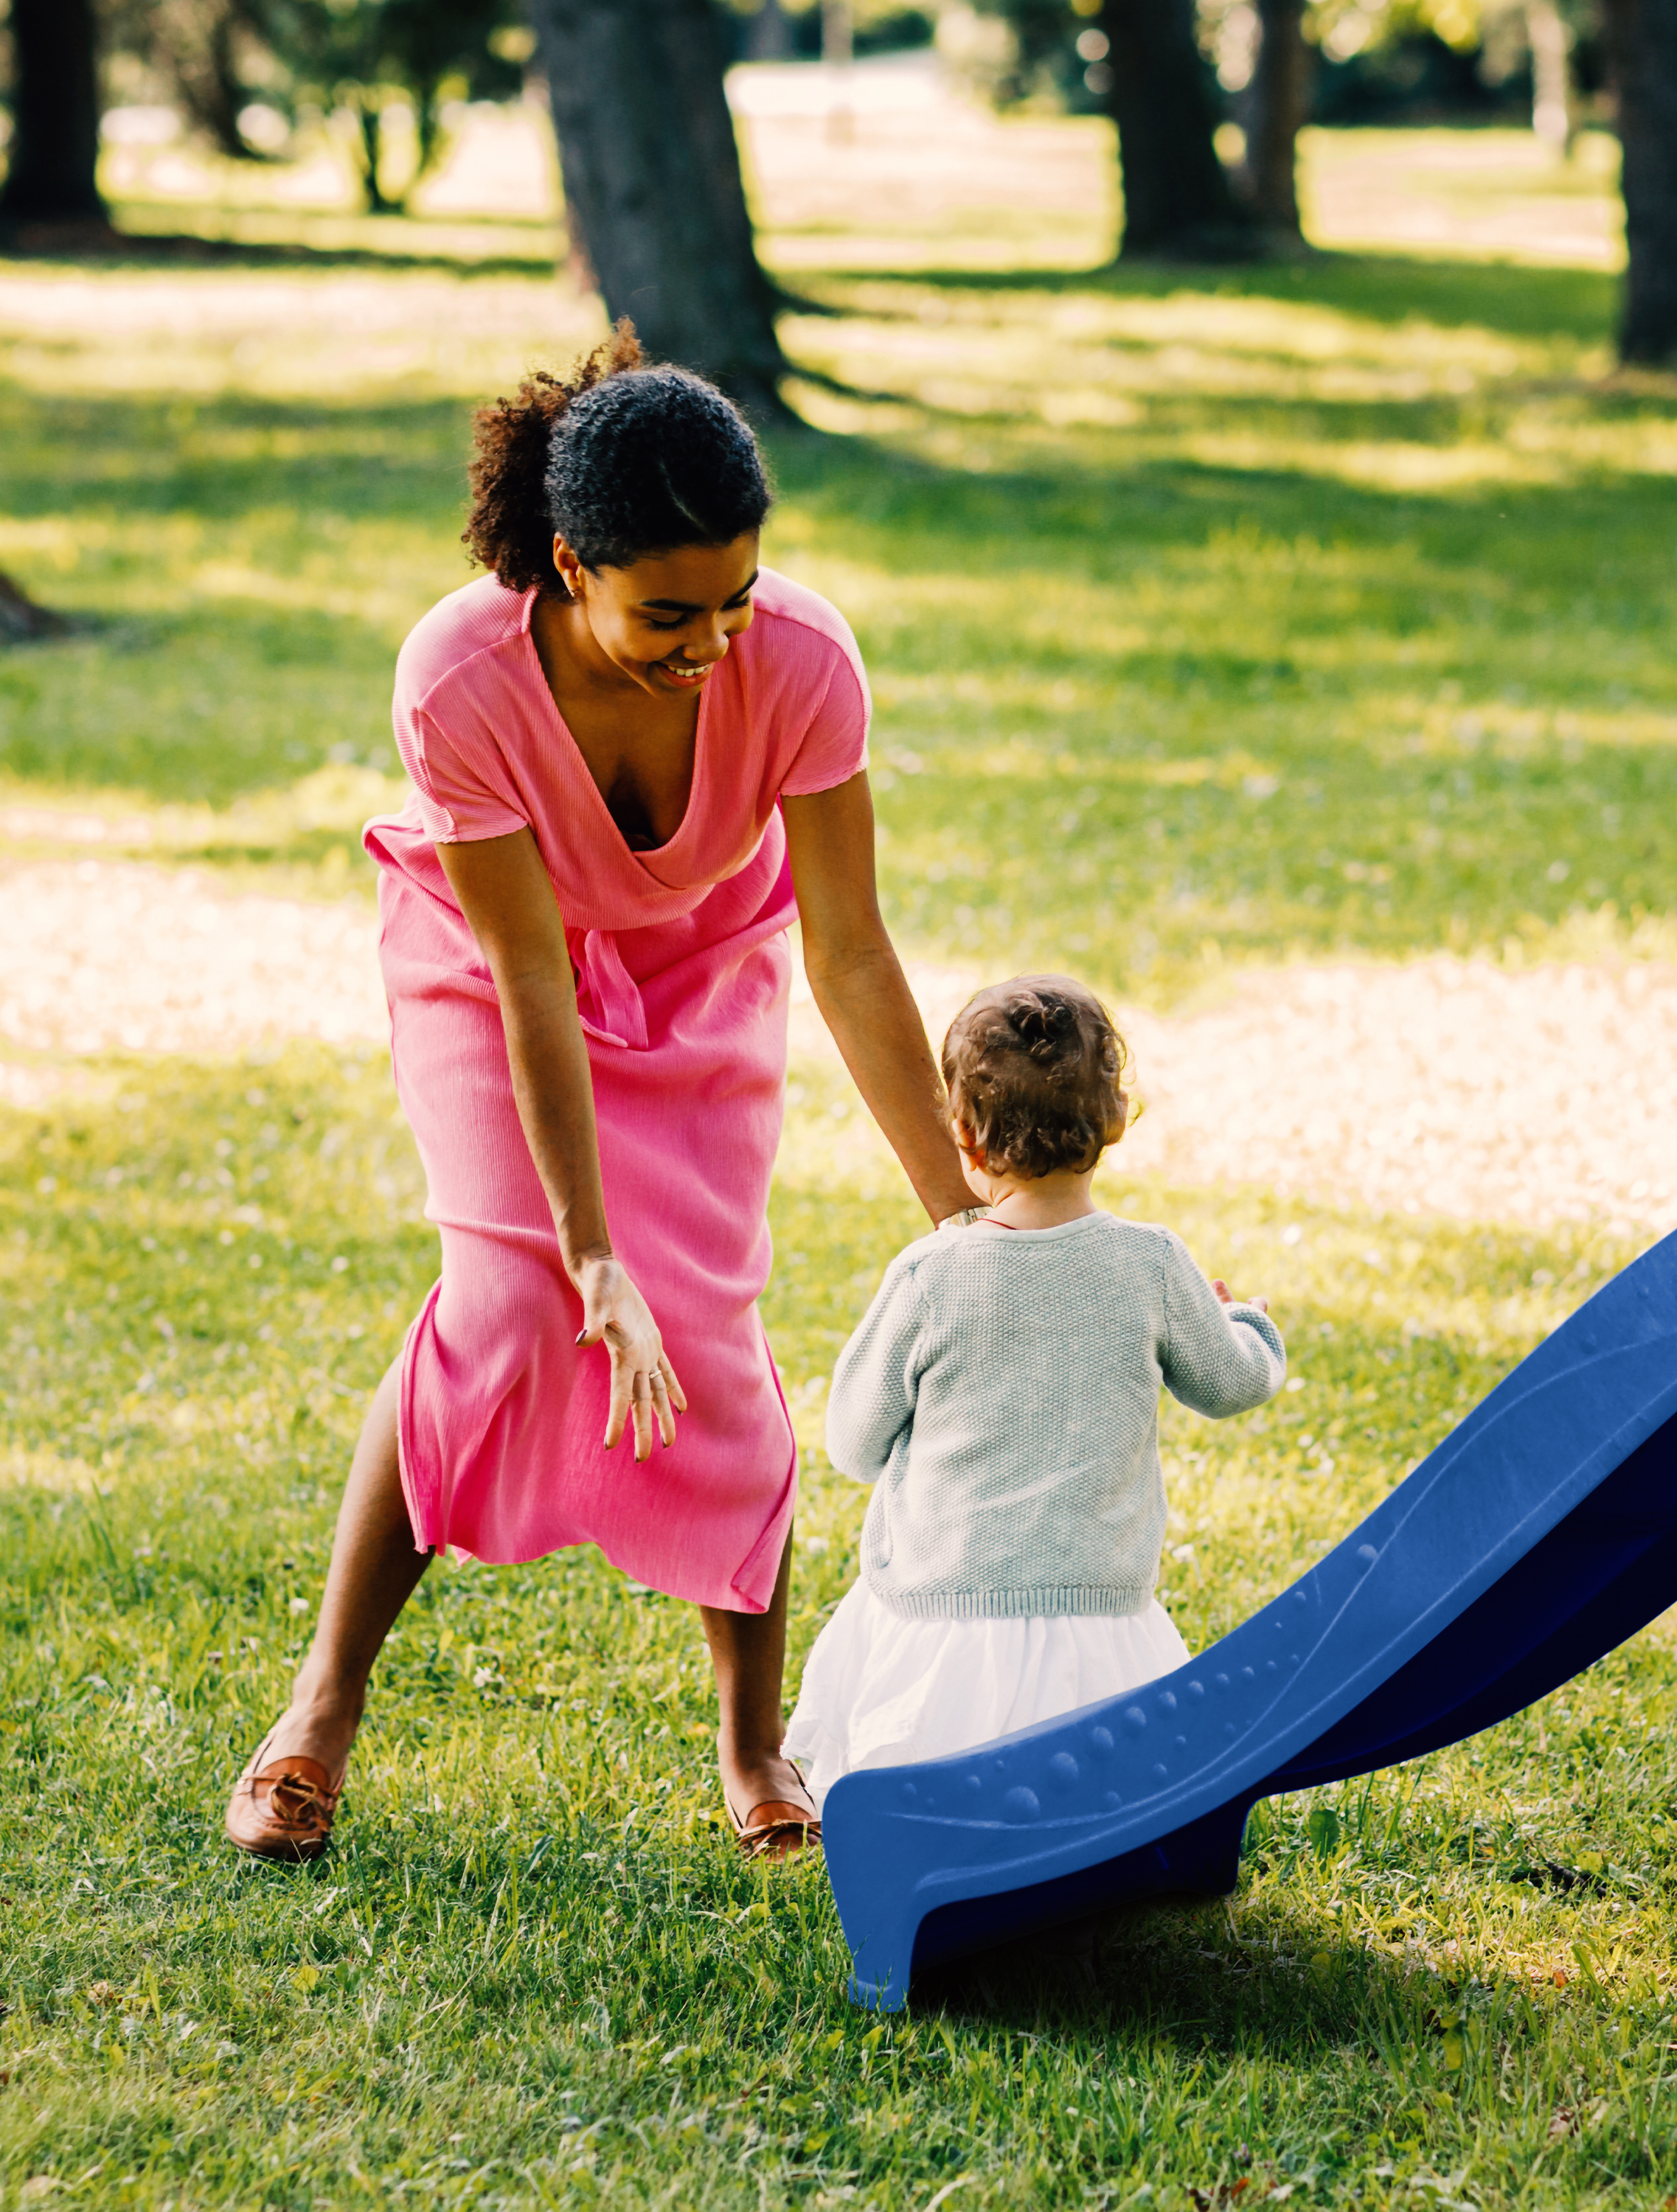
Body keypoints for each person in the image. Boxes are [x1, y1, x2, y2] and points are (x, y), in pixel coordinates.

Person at [224, 328, 979, 1865]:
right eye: (670, 613)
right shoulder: (463, 679)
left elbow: (847, 952)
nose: (714, 645)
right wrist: (583, 1249)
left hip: (705, 965)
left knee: (707, 1322)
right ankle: (317, 1714)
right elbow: (530, 981)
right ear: (571, 567)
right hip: (501, 975)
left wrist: (968, 1220)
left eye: (739, 599)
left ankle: (756, 1745)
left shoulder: (807, 665)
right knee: (503, 1308)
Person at [783, 975, 1287, 1806]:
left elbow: (851, 1443)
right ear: (1114, 1121)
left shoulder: (930, 1275)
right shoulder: (1153, 1262)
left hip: (940, 1619)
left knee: (933, 1810)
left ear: (966, 1141)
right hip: (1100, 1619)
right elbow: (1232, 1385)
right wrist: (1252, 1327)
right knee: (1097, 1816)